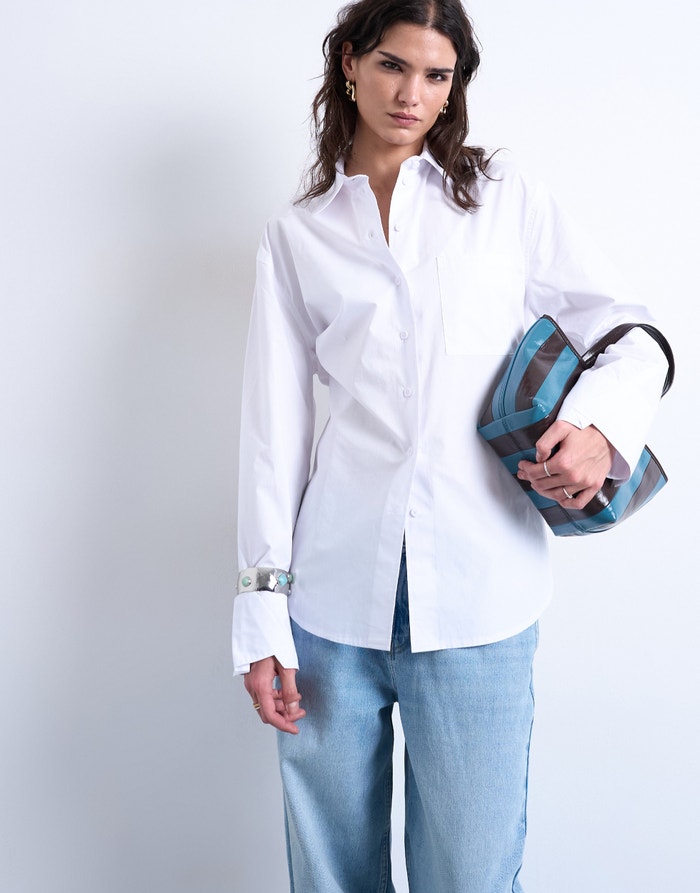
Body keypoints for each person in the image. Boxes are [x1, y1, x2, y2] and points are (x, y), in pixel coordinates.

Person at [233, 1, 670, 890]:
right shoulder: (299, 234)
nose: (412, 94)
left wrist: (599, 427)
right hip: (330, 604)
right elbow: (273, 433)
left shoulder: (507, 204)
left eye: (437, 76)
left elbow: (632, 332)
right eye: (394, 66)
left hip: (480, 600)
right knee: (329, 875)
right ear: (350, 64)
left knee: (471, 875)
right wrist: (260, 613)